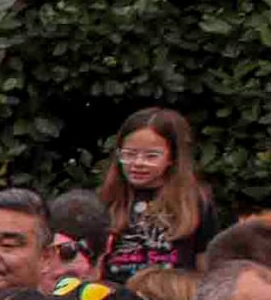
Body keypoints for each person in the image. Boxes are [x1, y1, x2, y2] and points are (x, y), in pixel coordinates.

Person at [89, 109, 210, 278]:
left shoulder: (194, 201)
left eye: (151, 156)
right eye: (129, 154)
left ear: (172, 157)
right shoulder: (106, 200)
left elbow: (204, 263)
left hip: (172, 299)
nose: (138, 163)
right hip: (113, 298)